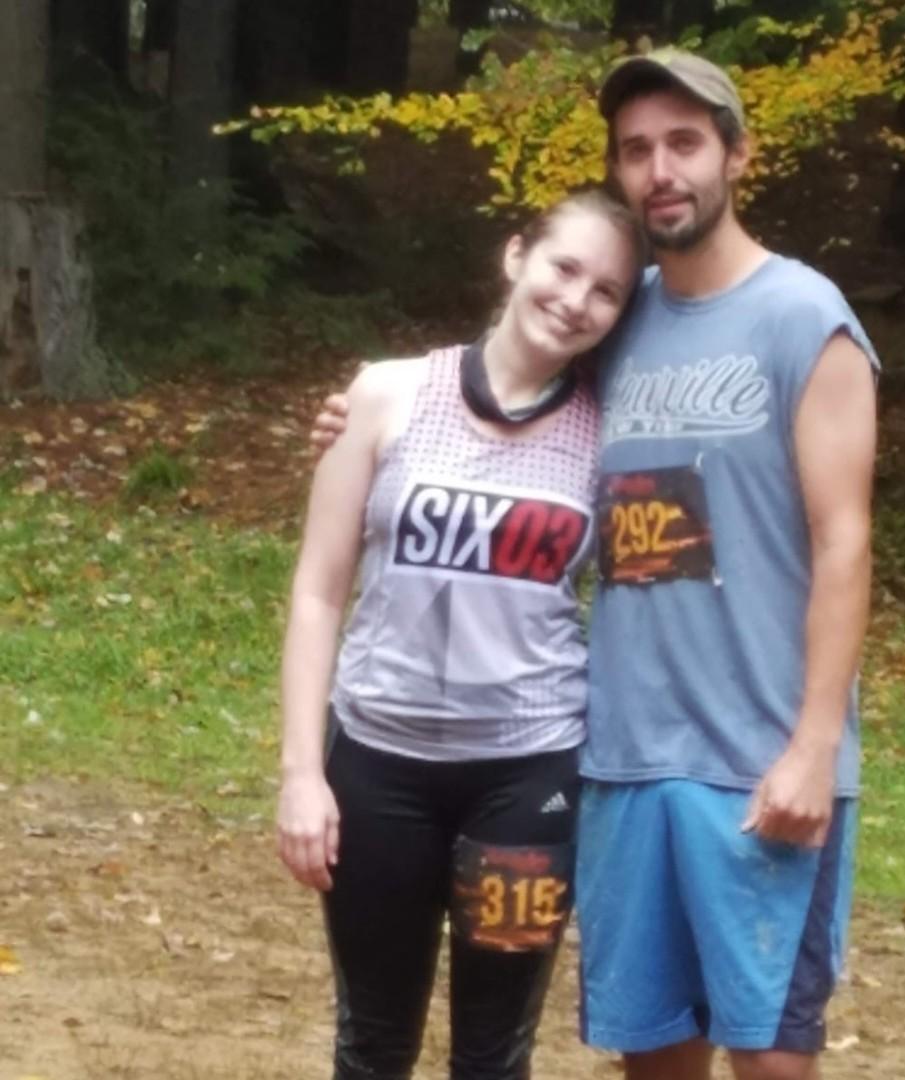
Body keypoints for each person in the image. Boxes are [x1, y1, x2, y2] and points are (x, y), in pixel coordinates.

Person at [312, 48, 878, 1080]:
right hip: (620, 759)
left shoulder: (806, 318)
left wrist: (815, 745)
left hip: (758, 761)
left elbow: (845, 541)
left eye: (685, 143)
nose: (661, 170)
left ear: (737, 155)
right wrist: (363, 417)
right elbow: (506, 387)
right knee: (651, 1052)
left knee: (770, 1060)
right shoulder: (620, 317)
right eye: (636, 150)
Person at [277, 188, 645, 1080]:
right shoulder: (383, 394)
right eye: (564, 267)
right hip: (377, 770)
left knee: (494, 1054)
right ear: (516, 257)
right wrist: (300, 774)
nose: (576, 300)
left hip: (529, 777)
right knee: (373, 1045)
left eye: (605, 291)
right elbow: (319, 592)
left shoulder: (614, 433)